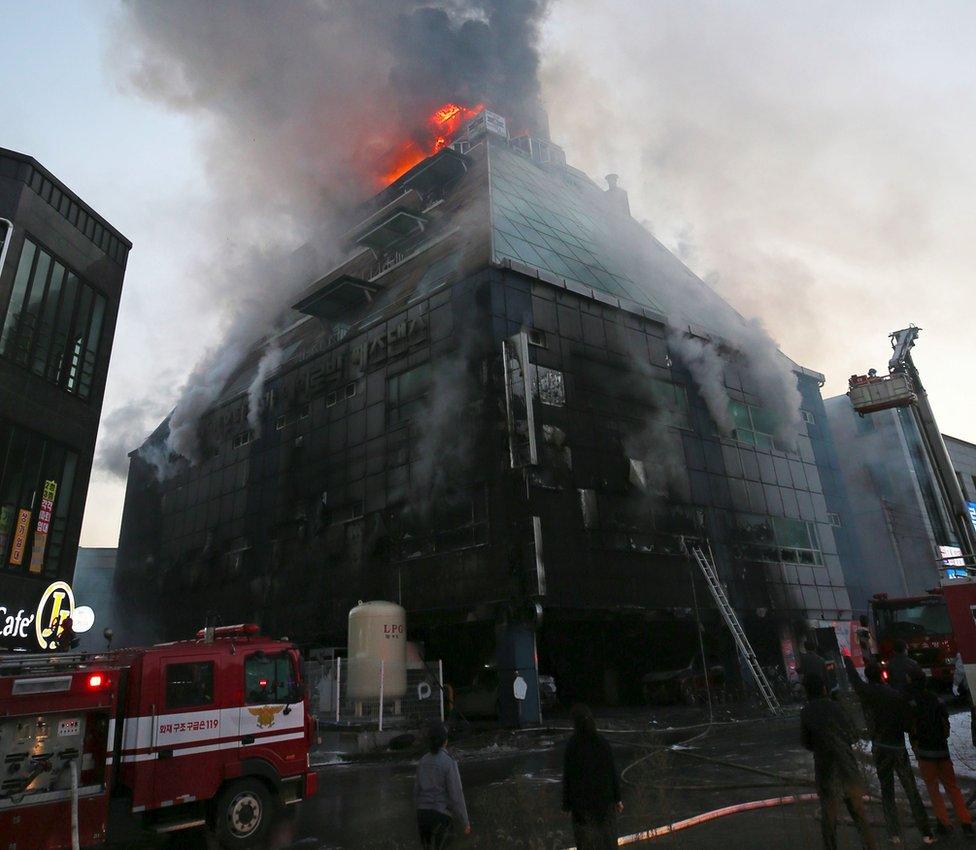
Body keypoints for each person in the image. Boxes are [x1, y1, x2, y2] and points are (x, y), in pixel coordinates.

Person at [842, 655, 934, 844]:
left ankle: (894, 834)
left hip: (880, 747)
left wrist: (848, 660)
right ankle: (926, 832)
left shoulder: (866, 692)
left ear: (868, 677)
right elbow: (908, 723)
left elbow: (854, 679)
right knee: (911, 789)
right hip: (898, 746)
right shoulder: (896, 695)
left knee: (887, 791)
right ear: (883, 675)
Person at [801, 673, 878, 850]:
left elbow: (806, 742)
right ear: (824, 689)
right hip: (847, 767)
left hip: (826, 770)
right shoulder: (838, 708)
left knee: (829, 819)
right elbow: (853, 735)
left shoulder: (806, 712)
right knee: (859, 815)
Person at [908, 670, 974, 837]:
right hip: (942, 751)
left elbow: (911, 727)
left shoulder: (913, 704)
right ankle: (966, 822)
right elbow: (945, 726)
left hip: (925, 753)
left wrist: (916, 745)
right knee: (953, 787)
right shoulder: (937, 701)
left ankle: (944, 823)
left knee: (933, 789)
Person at [562, 704, 623, 850]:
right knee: (607, 841)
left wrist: (566, 804)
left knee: (585, 842)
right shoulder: (602, 743)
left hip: (581, 805)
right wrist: (617, 798)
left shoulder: (572, 746)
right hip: (604, 802)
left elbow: (568, 778)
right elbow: (612, 772)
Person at [414, 722, 470, 849]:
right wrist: (465, 821)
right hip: (440, 815)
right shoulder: (449, 762)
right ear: (445, 741)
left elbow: (416, 791)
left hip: (422, 815)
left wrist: (419, 811)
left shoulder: (422, 761)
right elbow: (456, 795)